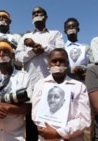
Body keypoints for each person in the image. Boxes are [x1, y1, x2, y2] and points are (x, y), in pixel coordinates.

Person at [15, 7, 64, 140]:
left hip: (52, 83)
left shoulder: (55, 34)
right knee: (32, 120)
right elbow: (18, 58)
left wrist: (41, 48)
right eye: (34, 13)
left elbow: (61, 52)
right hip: (31, 84)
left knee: (51, 119)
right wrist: (32, 51)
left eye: (39, 12)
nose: (36, 14)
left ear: (46, 17)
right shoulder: (25, 37)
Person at [31, 48, 91, 141]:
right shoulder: (40, 85)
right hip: (46, 137)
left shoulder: (79, 86)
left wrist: (59, 133)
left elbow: (84, 119)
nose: (58, 64)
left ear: (67, 64)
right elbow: (36, 114)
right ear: (49, 64)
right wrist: (49, 132)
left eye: (61, 61)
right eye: (54, 61)